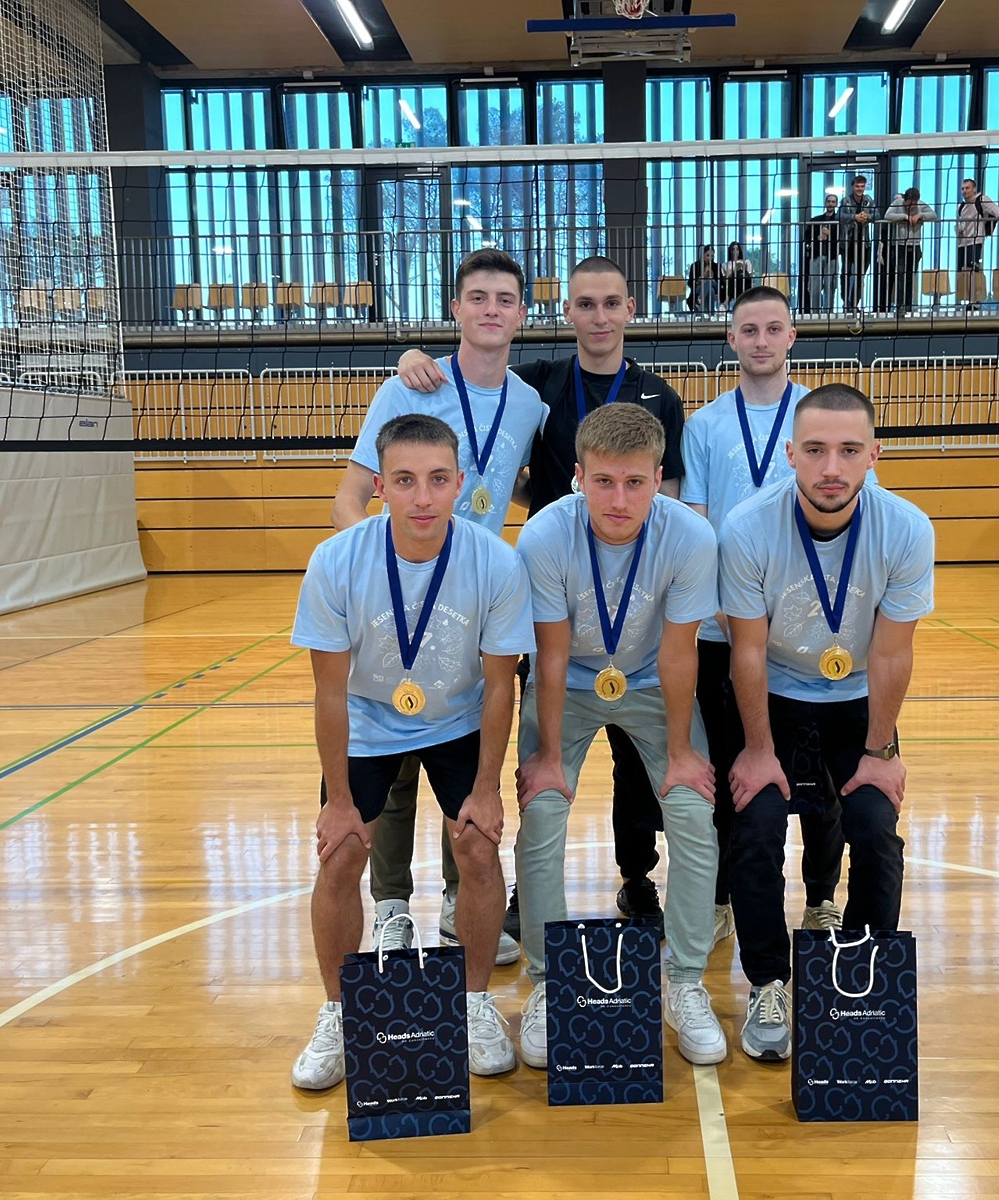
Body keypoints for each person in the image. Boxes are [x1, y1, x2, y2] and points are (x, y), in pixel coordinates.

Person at [395, 255, 688, 941]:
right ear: (566, 312)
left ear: (631, 309)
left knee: (635, 759)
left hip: (635, 600)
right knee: (542, 742)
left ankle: (636, 877)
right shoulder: (539, 385)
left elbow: (666, 493)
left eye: (611, 303)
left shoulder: (659, 395)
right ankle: (528, 892)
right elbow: (482, 400)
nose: (599, 316)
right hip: (554, 587)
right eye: (585, 304)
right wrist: (412, 358)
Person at [289, 413, 536, 1091]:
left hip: (458, 718)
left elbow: (499, 687)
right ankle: (340, 1015)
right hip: (368, 719)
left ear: (459, 483)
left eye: (436, 479)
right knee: (341, 852)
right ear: (379, 486)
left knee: (478, 847)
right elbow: (329, 692)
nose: (422, 497)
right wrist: (340, 802)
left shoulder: (496, 562)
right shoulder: (337, 561)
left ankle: (475, 1004)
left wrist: (486, 790)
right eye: (404, 480)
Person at [332, 248, 548, 966]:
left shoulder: (529, 403)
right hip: (396, 599)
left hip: (472, 602)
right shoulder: (409, 386)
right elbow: (350, 498)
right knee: (389, 755)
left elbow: (507, 482)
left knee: (464, 748)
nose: (491, 309)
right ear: (455, 308)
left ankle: (462, 903)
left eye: (505, 299)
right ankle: (392, 907)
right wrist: (369, 576)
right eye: (477, 297)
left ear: (522, 313)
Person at [718, 383, 934, 1063]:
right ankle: (768, 984)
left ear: (875, 454)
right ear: (791, 454)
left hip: (859, 700)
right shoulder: (748, 528)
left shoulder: (906, 529)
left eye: (847, 450)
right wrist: (757, 749)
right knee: (754, 827)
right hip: (775, 693)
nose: (831, 468)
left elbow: (893, 653)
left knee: (874, 827)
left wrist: (880, 753)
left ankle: (858, 982)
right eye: (815, 450)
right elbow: (747, 651)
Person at [513, 403, 727, 1068]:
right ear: (577, 477)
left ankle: (684, 981)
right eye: (603, 482)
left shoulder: (690, 537)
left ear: (660, 478)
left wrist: (683, 753)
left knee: (692, 809)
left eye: (636, 483)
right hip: (569, 682)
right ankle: (550, 983)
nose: (619, 499)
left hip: (651, 679)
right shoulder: (544, 537)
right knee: (542, 809)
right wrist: (549, 758)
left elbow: (680, 652)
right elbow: (549, 657)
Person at [680, 285, 859, 953]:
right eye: (748, 329)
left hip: (813, 631)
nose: (760, 340)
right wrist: (732, 614)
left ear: (792, 337)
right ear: (731, 339)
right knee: (737, 769)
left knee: (825, 778)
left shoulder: (822, 417)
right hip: (726, 629)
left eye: (773, 328)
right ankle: (726, 896)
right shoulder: (704, 426)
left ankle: (821, 898)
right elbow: (698, 530)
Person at [955, 178, 999, 307]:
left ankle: (974, 301)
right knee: (964, 272)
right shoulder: (960, 206)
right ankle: (970, 299)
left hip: (975, 241)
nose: (964, 191)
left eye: (967, 188)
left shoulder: (981, 200)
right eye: (962, 188)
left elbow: (993, 208)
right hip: (962, 242)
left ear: (974, 189)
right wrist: (958, 230)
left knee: (972, 270)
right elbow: (959, 223)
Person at [884, 187, 936, 316]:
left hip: (915, 246)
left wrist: (920, 215)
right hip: (899, 246)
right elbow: (887, 215)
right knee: (900, 276)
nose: (912, 207)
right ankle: (900, 306)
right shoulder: (897, 203)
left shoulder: (921, 205)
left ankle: (908, 306)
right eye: (909, 204)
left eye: (914, 204)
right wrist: (904, 216)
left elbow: (934, 215)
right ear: (904, 200)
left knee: (910, 277)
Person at [837, 175, 877, 311]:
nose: (860, 189)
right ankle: (846, 302)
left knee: (860, 275)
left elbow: (877, 215)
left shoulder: (868, 200)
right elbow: (839, 216)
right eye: (857, 186)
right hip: (848, 243)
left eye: (862, 186)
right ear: (852, 187)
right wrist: (854, 217)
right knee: (846, 273)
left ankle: (854, 303)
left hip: (864, 243)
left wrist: (867, 217)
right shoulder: (846, 200)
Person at [804, 198, 841, 312]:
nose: (830, 204)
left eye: (833, 202)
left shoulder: (839, 222)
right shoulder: (815, 221)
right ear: (825, 203)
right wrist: (818, 237)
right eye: (829, 201)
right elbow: (807, 237)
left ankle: (828, 312)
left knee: (830, 286)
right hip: (816, 256)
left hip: (832, 257)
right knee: (814, 286)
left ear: (836, 204)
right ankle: (815, 312)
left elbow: (841, 240)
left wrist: (830, 236)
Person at [720, 241, 753, 309]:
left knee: (739, 274)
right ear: (730, 251)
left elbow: (750, 277)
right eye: (733, 249)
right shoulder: (725, 265)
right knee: (733, 278)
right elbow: (725, 281)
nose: (735, 252)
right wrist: (734, 270)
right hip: (731, 285)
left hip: (744, 284)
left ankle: (726, 302)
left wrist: (743, 269)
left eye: (737, 249)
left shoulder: (746, 262)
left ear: (739, 251)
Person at [687, 244, 719, 313]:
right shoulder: (695, 266)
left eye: (712, 256)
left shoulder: (716, 266)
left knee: (710, 281)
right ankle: (711, 314)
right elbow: (690, 282)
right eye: (707, 255)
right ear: (703, 255)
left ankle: (699, 301)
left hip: (714, 285)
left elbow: (719, 281)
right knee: (711, 291)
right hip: (699, 287)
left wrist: (711, 276)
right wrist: (701, 278)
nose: (710, 258)